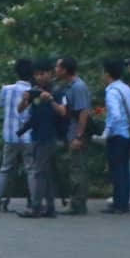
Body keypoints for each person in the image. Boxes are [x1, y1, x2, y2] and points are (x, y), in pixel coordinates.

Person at [18, 59, 65, 218]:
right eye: (36, 74)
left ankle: (36, 206)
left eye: (42, 73)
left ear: (50, 73)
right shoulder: (34, 90)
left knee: (38, 172)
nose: (39, 77)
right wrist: (25, 98)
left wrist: (49, 99)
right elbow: (20, 109)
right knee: (46, 172)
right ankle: (50, 206)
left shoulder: (57, 91)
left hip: (49, 135)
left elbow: (63, 112)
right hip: (36, 134)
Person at [0, 59, 32, 213]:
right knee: (31, 169)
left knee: (6, 168)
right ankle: (34, 200)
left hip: (10, 134)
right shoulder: (34, 90)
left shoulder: (6, 89)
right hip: (28, 135)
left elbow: (1, 104)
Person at [99, 59, 130, 215]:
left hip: (116, 135)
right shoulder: (126, 88)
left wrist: (106, 132)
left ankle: (119, 204)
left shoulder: (112, 92)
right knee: (124, 169)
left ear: (107, 74)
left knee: (116, 170)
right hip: (127, 134)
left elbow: (115, 115)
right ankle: (123, 202)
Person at [54, 57, 92, 214]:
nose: (55, 70)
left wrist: (79, 135)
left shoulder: (78, 87)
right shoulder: (68, 87)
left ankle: (78, 204)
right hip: (72, 131)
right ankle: (76, 201)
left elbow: (83, 112)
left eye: (57, 67)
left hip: (77, 132)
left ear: (64, 70)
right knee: (74, 167)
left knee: (78, 168)